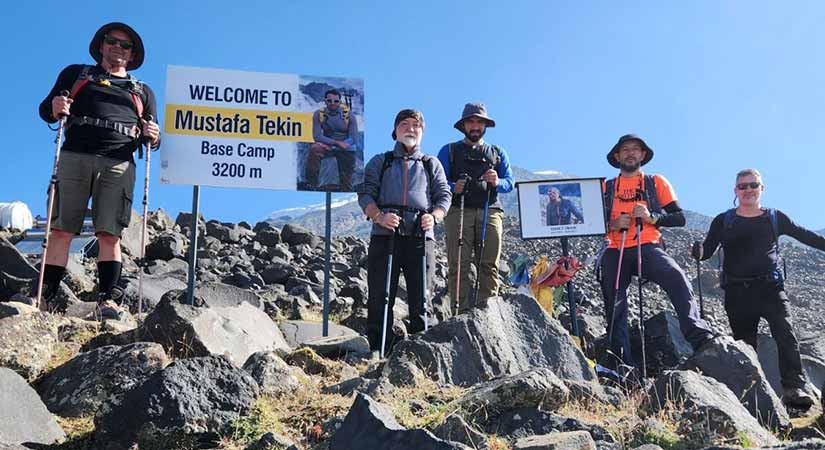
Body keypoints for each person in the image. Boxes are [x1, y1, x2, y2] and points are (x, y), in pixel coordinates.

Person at [38, 22, 160, 317]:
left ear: (132, 55)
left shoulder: (142, 92)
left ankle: (109, 300)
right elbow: (46, 110)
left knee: (110, 235)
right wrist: (55, 106)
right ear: (101, 45)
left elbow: (152, 137)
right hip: (75, 155)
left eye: (125, 45)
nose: (118, 47)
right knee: (61, 230)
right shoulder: (76, 74)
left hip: (118, 161)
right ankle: (45, 296)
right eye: (112, 41)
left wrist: (154, 135)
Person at [693, 168, 824, 407]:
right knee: (745, 344)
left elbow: (807, 236)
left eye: (753, 185)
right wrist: (698, 251)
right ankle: (753, 395)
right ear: (735, 191)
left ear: (762, 188)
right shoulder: (724, 220)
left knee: (785, 334)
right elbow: (707, 250)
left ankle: (793, 389)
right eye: (743, 186)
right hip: (737, 292)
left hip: (771, 288)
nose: (748, 190)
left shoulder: (775, 217)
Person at [600, 134, 714, 369]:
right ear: (617, 156)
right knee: (615, 301)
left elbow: (679, 217)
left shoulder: (656, 182)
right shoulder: (605, 187)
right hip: (615, 248)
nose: (630, 153)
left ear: (642, 155)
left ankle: (698, 334)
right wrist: (612, 225)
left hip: (648, 246)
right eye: (625, 149)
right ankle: (620, 361)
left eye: (635, 149)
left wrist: (653, 218)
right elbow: (591, 222)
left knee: (676, 276)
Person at [358, 109, 450, 354]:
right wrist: (379, 216)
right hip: (384, 236)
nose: (411, 128)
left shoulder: (431, 164)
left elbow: (444, 196)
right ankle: (378, 351)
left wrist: (435, 217)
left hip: (421, 238)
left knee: (422, 298)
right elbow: (365, 192)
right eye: (405, 124)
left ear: (422, 132)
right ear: (395, 130)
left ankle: (422, 356)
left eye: (416, 125)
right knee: (380, 295)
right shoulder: (381, 161)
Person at [437, 103, 514, 313]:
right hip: (457, 211)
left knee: (489, 265)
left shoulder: (497, 152)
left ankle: (488, 315)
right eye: (471, 121)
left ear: (485, 126)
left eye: (479, 122)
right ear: (463, 125)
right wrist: (453, 187)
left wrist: (497, 181)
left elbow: (510, 182)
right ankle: (458, 315)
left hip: (491, 210)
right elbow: (437, 181)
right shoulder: (449, 151)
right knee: (458, 264)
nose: (475, 126)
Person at [304, 89, 359, 190]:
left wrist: (345, 144)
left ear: (340, 102)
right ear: (325, 101)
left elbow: (354, 138)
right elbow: (317, 136)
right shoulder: (318, 114)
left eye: (336, 101)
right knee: (315, 149)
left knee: (346, 183)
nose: (332, 103)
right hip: (328, 146)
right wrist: (335, 143)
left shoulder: (349, 115)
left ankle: (345, 186)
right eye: (329, 101)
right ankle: (311, 183)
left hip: (346, 149)